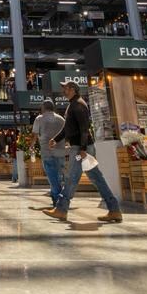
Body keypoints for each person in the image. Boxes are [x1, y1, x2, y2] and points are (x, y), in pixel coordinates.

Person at [45, 81, 122, 224]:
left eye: (66, 88)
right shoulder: (73, 105)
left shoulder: (79, 105)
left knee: (71, 178)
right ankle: (114, 209)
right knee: (97, 179)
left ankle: (61, 209)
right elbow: (67, 129)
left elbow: (84, 129)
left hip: (80, 149)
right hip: (81, 148)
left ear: (73, 89)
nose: (63, 90)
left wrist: (83, 149)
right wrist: (55, 139)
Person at [32, 100, 67, 209]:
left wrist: (31, 146)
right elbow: (67, 134)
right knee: (58, 177)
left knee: (53, 178)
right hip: (61, 152)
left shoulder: (39, 118)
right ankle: (55, 198)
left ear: (43, 108)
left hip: (47, 152)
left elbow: (34, 135)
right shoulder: (61, 119)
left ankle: (59, 202)